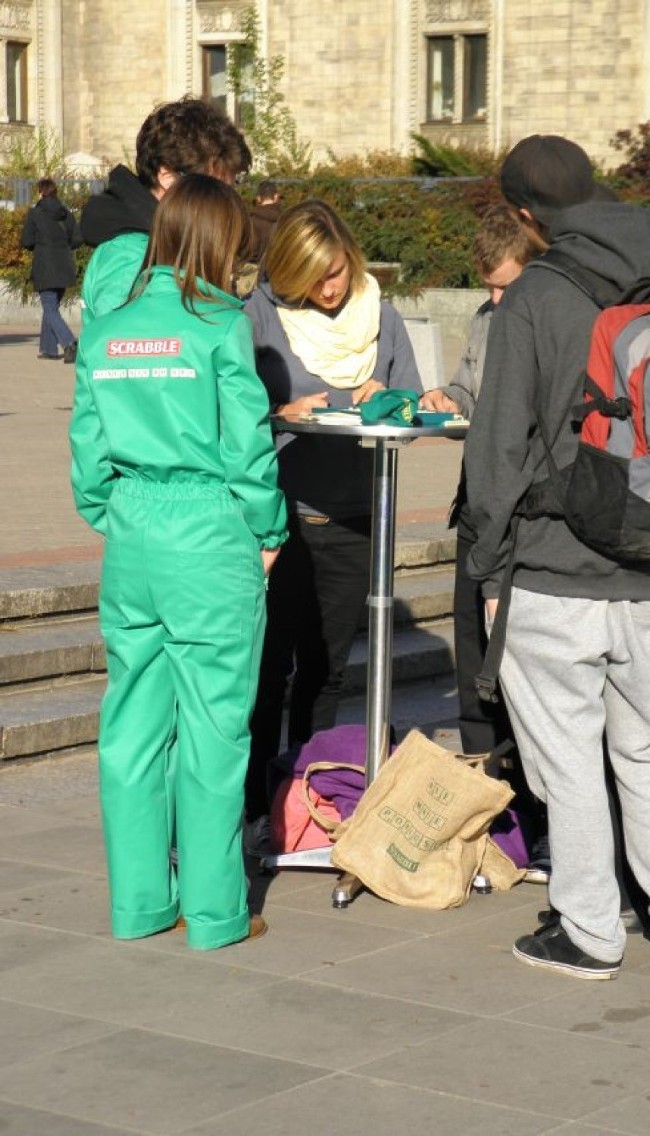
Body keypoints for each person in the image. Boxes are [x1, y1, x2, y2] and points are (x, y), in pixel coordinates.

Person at [464, 135, 650, 979]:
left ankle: (588, 930)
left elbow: (496, 449)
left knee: (570, 760)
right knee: (647, 748)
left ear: (523, 214)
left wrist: (487, 565)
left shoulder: (537, 296)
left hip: (554, 572)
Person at [69, 174, 287, 950]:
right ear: (219, 240)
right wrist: (268, 530)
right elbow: (248, 449)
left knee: (130, 726)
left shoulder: (108, 328)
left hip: (134, 533)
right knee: (213, 728)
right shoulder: (219, 326)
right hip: (209, 531)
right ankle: (217, 911)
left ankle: (138, 904)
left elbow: (87, 460)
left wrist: (120, 514)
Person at [242, 198, 422, 855]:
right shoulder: (258, 316)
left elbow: (412, 402)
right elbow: (229, 415)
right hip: (280, 519)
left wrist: (396, 404)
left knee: (327, 671)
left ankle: (308, 798)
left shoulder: (383, 314)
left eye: (338, 271)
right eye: (315, 277)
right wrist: (282, 411)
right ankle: (258, 803)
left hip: (355, 519)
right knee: (270, 670)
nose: (331, 287)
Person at [420, 205, 547, 865]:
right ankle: (485, 799)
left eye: (506, 286)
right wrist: (448, 397)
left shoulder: (547, 323)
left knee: (523, 662)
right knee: (474, 663)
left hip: (527, 518)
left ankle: (536, 809)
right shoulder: (487, 319)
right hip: (477, 508)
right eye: (488, 288)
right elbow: (470, 391)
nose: (496, 300)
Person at [80, 96, 251, 324]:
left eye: (231, 190)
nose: (226, 205)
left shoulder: (172, 239)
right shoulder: (130, 255)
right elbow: (124, 345)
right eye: (214, 189)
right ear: (167, 176)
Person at [21, 177, 82, 363]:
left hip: (45, 266)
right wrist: (63, 248)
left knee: (49, 308)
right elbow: (78, 239)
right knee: (52, 308)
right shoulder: (66, 214)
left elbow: (27, 241)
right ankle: (48, 348)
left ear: (40, 192)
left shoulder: (35, 213)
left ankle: (69, 342)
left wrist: (41, 247)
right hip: (63, 266)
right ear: (55, 193)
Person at [247, 179, 281, 262]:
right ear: (276, 197)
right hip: (279, 269)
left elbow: (251, 251)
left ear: (258, 198)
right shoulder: (285, 220)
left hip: (257, 269)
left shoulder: (252, 221)